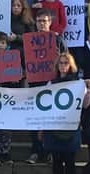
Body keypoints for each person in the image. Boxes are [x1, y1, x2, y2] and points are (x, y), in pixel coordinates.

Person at [26, 9, 67, 164]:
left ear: (50, 22)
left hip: (53, 85)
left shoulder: (58, 40)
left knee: (50, 119)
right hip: (34, 85)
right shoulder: (29, 39)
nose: (41, 24)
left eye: (44, 21)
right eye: (39, 21)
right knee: (34, 120)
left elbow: (66, 60)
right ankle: (36, 151)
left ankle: (50, 151)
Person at [43, 53, 85, 174]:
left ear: (71, 65)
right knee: (56, 162)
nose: (63, 65)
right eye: (60, 63)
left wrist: (89, 91)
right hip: (54, 126)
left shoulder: (77, 83)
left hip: (70, 126)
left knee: (69, 162)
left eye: (66, 63)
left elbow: (84, 105)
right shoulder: (51, 82)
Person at [0, 32, 17, 164]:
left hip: (7, 97)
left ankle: (6, 152)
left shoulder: (12, 59)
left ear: (7, 45)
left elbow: (17, 75)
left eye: (3, 43)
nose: (0, 45)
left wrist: (15, 78)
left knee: (7, 126)